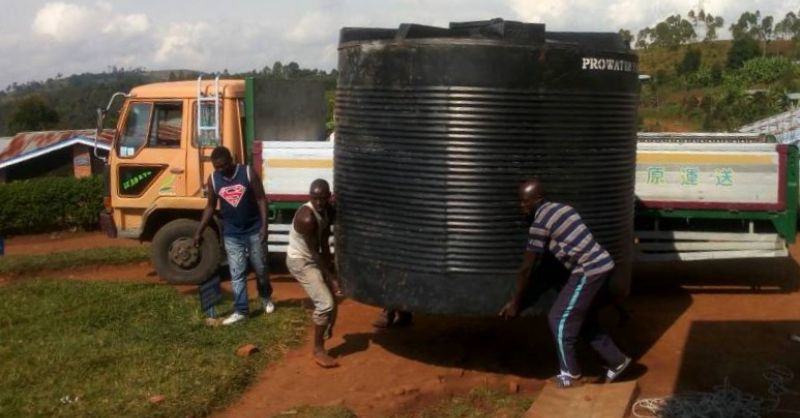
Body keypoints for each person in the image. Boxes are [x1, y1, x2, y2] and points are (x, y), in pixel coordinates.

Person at [500, 178, 631, 388]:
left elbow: (527, 268)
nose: (521, 206)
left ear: (537, 199)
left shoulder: (540, 224)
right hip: (604, 264)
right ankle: (617, 361)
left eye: (525, 201)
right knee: (584, 318)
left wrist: (515, 302)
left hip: (588, 271)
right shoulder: (565, 209)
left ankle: (571, 375)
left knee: (558, 318)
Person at [194, 146, 274, 325]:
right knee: (237, 273)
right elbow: (210, 207)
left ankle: (265, 296)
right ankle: (241, 310)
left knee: (260, 269)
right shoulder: (214, 180)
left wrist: (264, 227)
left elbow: (261, 199)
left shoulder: (247, 172)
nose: (220, 170)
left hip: (254, 229)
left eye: (223, 166)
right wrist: (199, 232)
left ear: (231, 160)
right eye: (216, 167)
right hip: (232, 233)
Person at [286, 179, 340, 368]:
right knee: (325, 303)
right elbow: (314, 252)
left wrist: (330, 270)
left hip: (313, 258)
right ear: (310, 197)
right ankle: (318, 349)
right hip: (300, 260)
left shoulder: (327, 210)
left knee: (333, 302)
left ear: (328, 197)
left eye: (322, 198)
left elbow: (324, 242)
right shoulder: (306, 218)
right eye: (315, 198)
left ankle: (324, 330)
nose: (319, 203)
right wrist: (330, 277)